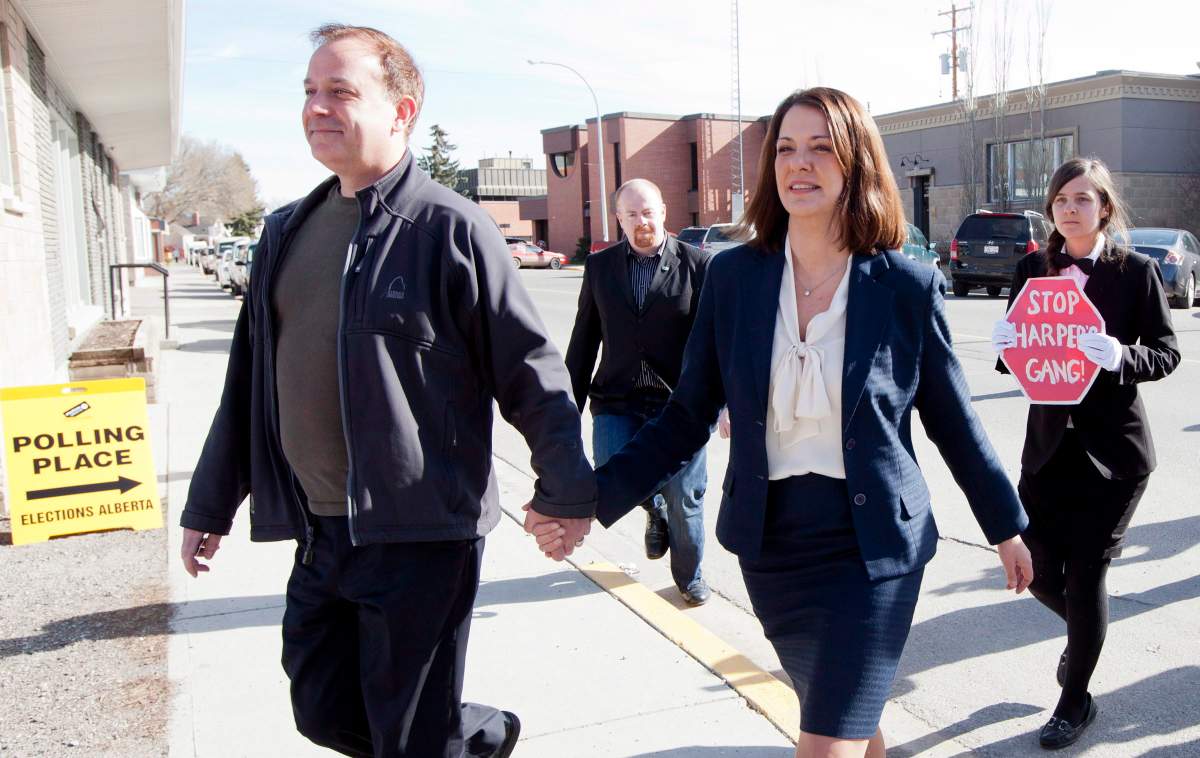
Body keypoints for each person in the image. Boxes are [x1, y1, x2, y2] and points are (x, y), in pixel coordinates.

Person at [534, 87, 1034, 758]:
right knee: (846, 722)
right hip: (773, 544)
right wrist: (588, 501)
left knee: (825, 741)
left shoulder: (906, 287)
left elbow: (955, 423)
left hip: (873, 546)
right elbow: (686, 417)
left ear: (856, 162)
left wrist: (1007, 527)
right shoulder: (735, 277)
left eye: (822, 148)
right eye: (787, 150)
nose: (801, 164)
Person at [178, 24, 593, 758]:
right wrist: (212, 501)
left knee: (403, 736)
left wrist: (565, 490)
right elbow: (247, 385)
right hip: (319, 531)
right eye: (309, 91)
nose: (316, 107)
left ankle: (441, 737)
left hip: (421, 535)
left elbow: (530, 371)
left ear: (401, 111)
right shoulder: (284, 232)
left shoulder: (450, 228)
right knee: (323, 710)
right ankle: (472, 738)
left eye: (340, 91)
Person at [991, 157, 1179, 750]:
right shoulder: (1032, 268)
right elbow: (1022, 352)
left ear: (1104, 208)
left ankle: (1074, 702)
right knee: (1040, 571)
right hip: (1048, 451)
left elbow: (1167, 353)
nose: (1070, 209)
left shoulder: (1136, 272)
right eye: (1061, 200)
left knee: (1088, 575)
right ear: (1051, 209)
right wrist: (1004, 346)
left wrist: (1121, 356)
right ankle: (1082, 643)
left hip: (1114, 455)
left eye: (1083, 199)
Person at [564, 178, 713, 605]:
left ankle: (690, 576)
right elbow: (583, 341)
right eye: (631, 214)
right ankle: (655, 512)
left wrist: (722, 403)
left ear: (664, 212)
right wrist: (564, 411)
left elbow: (713, 342)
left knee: (685, 496)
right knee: (613, 473)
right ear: (619, 219)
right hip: (617, 399)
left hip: (680, 405)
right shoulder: (600, 268)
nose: (641, 221)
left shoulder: (698, 266)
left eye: (648, 212)